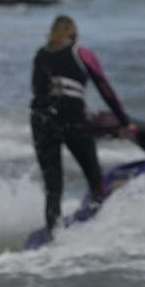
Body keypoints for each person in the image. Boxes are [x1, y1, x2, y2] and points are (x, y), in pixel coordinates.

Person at [29, 15, 136, 232]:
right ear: (73, 34)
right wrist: (124, 121)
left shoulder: (40, 55)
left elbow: (37, 89)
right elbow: (104, 87)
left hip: (41, 119)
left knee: (53, 186)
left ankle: (53, 233)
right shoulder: (81, 52)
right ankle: (99, 224)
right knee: (94, 178)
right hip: (72, 119)